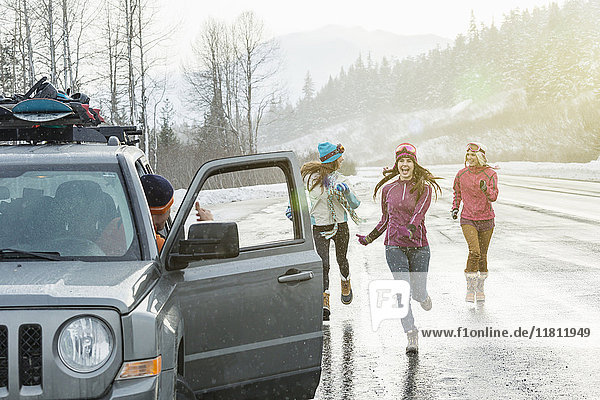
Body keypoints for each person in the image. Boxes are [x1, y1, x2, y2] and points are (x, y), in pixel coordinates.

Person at [356, 143, 441, 355]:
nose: (405, 164)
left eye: (408, 161)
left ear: (414, 164)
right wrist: (370, 237)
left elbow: (420, 213)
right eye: (401, 161)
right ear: (397, 164)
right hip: (394, 246)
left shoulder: (424, 188)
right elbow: (385, 219)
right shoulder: (388, 189)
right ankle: (411, 333)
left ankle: (423, 296)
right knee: (402, 291)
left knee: (417, 292)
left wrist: (411, 228)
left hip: (419, 246)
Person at [301, 142, 361, 321]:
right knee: (323, 264)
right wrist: (292, 208)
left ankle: (345, 281)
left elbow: (355, 204)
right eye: (339, 157)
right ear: (333, 160)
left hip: (340, 225)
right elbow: (299, 195)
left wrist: (347, 192)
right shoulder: (311, 179)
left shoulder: (342, 180)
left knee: (341, 259)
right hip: (319, 226)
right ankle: (324, 299)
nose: (342, 160)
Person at [451, 142, 498, 303]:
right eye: (468, 155)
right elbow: (457, 192)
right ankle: (470, 288)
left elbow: (493, 197)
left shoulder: (491, 173)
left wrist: (485, 189)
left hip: (486, 219)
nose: (470, 158)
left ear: (480, 157)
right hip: (468, 218)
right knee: (475, 252)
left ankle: (480, 288)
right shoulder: (461, 174)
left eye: (473, 155)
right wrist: (455, 208)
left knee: (483, 256)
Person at [141, 174, 213, 252]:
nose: (169, 213)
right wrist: (208, 226)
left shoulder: (134, 234)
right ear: (154, 215)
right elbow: (187, 258)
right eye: (168, 209)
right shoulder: (155, 245)